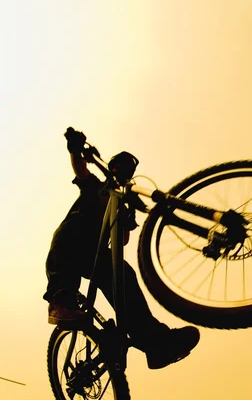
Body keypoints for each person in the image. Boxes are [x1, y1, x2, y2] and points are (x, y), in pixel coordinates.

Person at [43, 127, 200, 369]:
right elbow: (81, 169)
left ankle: (155, 344)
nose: (122, 173)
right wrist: (75, 149)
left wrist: (127, 217)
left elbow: (124, 241)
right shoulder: (96, 187)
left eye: (128, 170)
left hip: (95, 254)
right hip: (72, 243)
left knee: (124, 276)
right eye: (118, 168)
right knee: (72, 232)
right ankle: (60, 302)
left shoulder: (123, 203)